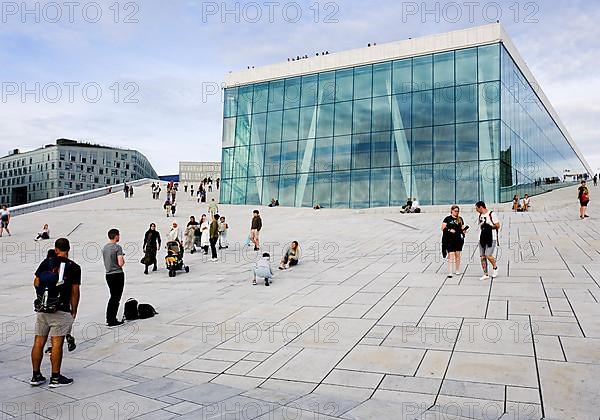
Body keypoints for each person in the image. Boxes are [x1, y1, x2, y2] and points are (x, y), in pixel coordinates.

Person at [30, 238, 80, 388]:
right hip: (61, 309)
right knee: (57, 343)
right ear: (68, 249)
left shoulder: (47, 262)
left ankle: (36, 375)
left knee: (39, 342)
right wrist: (74, 309)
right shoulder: (74, 267)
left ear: (56, 249)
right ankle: (56, 378)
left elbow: (36, 282)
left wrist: (42, 296)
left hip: (43, 309)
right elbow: (75, 291)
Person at [102, 229, 125, 327]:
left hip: (108, 274)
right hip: (117, 274)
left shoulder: (105, 248)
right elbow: (120, 263)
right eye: (118, 235)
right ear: (116, 236)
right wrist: (123, 258)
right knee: (116, 297)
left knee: (112, 296)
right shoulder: (117, 247)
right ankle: (112, 319)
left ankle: (109, 317)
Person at [475, 201, 500, 281]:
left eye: (477, 208)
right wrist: (483, 225)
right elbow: (480, 226)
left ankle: (495, 267)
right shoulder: (480, 215)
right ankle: (485, 274)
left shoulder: (491, 214)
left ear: (481, 207)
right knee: (482, 256)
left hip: (491, 238)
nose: (476, 210)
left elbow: (498, 225)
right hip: (482, 238)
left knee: (488, 255)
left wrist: (489, 226)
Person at [441, 206, 468, 277]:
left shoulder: (460, 219)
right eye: (455, 211)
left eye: (458, 211)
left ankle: (457, 270)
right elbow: (443, 228)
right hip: (449, 239)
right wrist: (449, 230)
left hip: (458, 239)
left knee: (457, 255)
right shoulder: (447, 219)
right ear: (452, 211)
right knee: (451, 255)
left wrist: (464, 230)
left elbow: (462, 228)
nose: (457, 212)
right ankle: (450, 272)